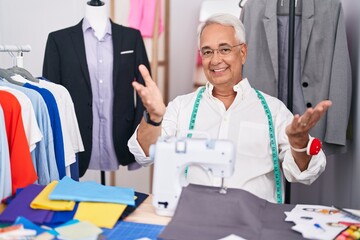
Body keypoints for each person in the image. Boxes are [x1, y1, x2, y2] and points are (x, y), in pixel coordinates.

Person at [128, 13, 332, 203]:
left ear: (242, 52)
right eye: (207, 52)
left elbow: (304, 173)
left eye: (224, 49)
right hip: (194, 217)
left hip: (252, 223)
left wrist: (298, 143)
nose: (215, 60)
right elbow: (144, 154)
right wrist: (153, 118)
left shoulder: (274, 110)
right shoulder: (181, 106)